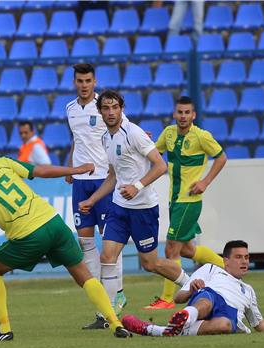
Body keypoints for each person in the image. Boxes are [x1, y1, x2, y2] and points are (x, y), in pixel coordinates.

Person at [0, 139, 130, 341]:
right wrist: (75, 170)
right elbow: (40, 171)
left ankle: (4, 330)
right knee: (84, 276)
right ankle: (115, 323)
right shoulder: (0, 163)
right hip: (54, 222)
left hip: (28, 236)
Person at [78, 90, 190, 294]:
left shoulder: (134, 133)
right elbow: (113, 176)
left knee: (150, 263)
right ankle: (113, 313)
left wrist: (136, 186)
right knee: (107, 257)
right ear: (100, 111)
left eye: (115, 107)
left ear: (122, 109)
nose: (111, 112)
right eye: (106, 108)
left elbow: (159, 166)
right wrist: (92, 200)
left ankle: (190, 284)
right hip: (119, 208)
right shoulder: (105, 138)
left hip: (143, 209)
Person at [122, 240, 264, 336]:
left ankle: (158, 329)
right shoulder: (211, 269)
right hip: (208, 297)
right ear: (226, 260)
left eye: (247, 258)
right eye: (239, 257)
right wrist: (191, 290)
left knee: (224, 325)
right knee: (206, 300)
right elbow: (179, 298)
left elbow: (260, 324)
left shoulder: (248, 290)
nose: (244, 262)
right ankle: (184, 318)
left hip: (227, 314)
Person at [144, 96, 227, 310]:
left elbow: (221, 158)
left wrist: (205, 182)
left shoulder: (201, 136)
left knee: (171, 249)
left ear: (193, 115)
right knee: (188, 250)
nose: (183, 116)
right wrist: (144, 141)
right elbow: (154, 153)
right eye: (179, 112)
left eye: (187, 113)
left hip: (189, 200)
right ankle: (226, 269)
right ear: (174, 114)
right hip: (175, 200)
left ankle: (167, 299)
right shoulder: (169, 133)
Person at [65, 63, 126, 330]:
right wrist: (71, 167)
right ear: (75, 82)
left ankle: (117, 294)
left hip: (104, 180)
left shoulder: (105, 107)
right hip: (80, 183)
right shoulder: (69, 108)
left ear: (94, 81)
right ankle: (103, 305)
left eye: (88, 80)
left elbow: (125, 129)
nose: (84, 85)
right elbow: (77, 139)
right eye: (80, 80)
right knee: (85, 243)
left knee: (110, 241)